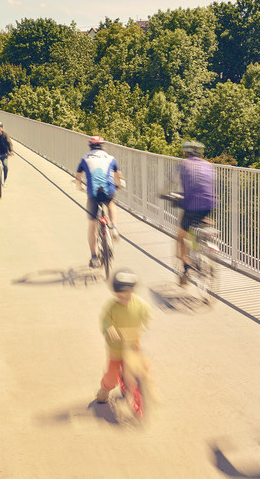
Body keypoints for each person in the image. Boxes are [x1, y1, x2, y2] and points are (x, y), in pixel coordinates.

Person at [95, 268, 151, 404]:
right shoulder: (112, 307)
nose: (123, 299)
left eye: (127, 296)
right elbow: (104, 320)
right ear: (114, 294)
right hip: (116, 348)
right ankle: (105, 389)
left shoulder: (140, 304)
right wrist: (109, 328)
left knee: (143, 365)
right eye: (119, 296)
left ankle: (133, 383)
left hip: (132, 344)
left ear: (133, 291)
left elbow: (146, 314)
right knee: (112, 375)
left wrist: (142, 327)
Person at [173, 140, 216, 286]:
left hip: (191, 205)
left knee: (181, 235)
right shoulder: (209, 165)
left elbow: (172, 181)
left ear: (186, 152)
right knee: (200, 221)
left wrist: (166, 194)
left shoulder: (184, 164)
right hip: (209, 204)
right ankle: (204, 241)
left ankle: (186, 268)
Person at [75, 136, 123, 268]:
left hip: (93, 195)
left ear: (90, 146)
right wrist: (118, 185)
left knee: (92, 225)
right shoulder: (110, 158)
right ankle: (113, 227)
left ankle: (94, 257)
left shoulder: (85, 158)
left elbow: (78, 177)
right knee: (111, 204)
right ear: (102, 147)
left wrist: (79, 187)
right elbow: (119, 176)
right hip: (108, 191)